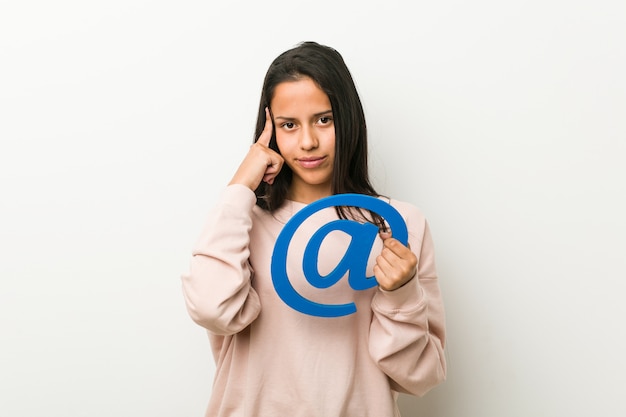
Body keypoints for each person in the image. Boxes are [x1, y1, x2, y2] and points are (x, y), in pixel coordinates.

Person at [181, 41, 446, 417]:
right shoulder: (241, 220)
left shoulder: (399, 226)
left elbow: (421, 376)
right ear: (269, 131)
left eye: (324, 119)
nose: (308, 141)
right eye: (289, 125)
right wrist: (240, 185)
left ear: (348, 118)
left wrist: (401, 294)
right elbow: (212, 309)